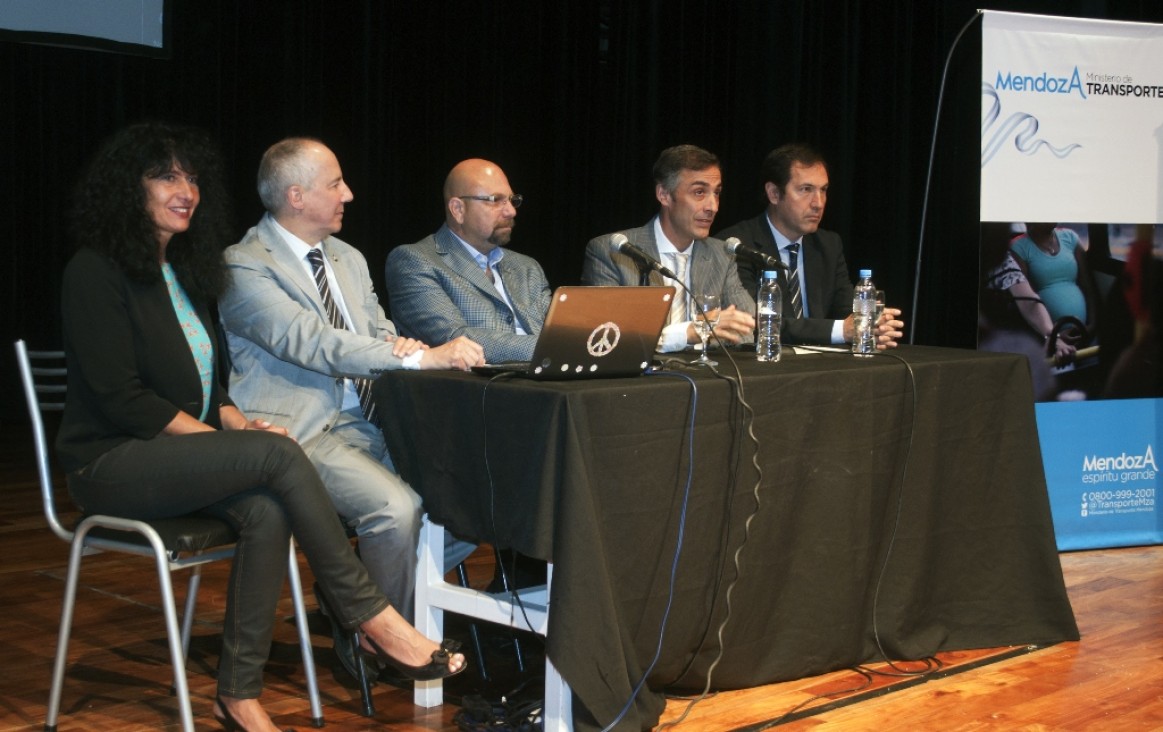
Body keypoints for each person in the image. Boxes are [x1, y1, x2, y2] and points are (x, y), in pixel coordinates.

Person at [56, 122, 465, 732]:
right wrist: (232, 442)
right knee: (277, 456)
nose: (185, 188)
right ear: (127, 188)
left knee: (267, 509)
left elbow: (210, 385)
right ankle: (371, 618)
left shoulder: (182, 273)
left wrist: (236, 421)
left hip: (174, 457)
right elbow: (123, 399)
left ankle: (237, 696)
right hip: (111, 462)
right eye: (167, 176)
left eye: (192, 177)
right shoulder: (94, 270)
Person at [218, 137, 483, 674]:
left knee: (475, 501)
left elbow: (379, 332)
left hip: (373, 420)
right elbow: (309, 341)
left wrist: (402, 347)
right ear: (296, 195)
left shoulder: (348, 258)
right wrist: (414, 358)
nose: (350, 194)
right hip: (298, 433)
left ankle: (353, 599)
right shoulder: (243, 264)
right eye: (335, 183)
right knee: (396, 510)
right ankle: (380, 640)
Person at [716, 143, 904, 348]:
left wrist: (871, 324)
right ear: (774, 194)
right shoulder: (737, 246)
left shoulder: (828, 244)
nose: (818, 203)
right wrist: (843, 330)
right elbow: (757, 322)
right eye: (806, 190)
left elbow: (845, 308)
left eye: (823, 190)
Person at [580, 144, 755, 352]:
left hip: (705, 378)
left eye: (716, 193)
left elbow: (744, 332)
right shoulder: (612, 251)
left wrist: (695, 335)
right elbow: (605, 337)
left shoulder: (721, 255)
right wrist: (687, 333)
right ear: (664, 195)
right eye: (699, 192)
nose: (712, 207)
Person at [386, 158, 552, 363]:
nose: (511, 211)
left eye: (512, 200)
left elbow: (558, 330)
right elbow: (455, 340)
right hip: (475, 390)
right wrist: (551, 348)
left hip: (546, 384)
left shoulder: (527, 268)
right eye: (495, 200)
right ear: (458, 209)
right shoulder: (414, 261)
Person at [1009, 222, 1098, 342]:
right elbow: (1025, 300)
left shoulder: (1070, 237)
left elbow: (1088, 286)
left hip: (1083, 331)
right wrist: (1054, 336)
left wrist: (1092, 324)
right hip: (1045, 337)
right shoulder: (1019, 247)